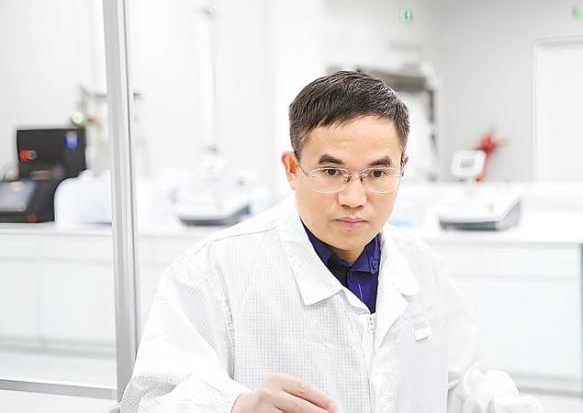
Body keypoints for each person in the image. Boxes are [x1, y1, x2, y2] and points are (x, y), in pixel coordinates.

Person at [121, 71, 543, 413]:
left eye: (377, 174)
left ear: (402, 167)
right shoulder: (213, 269)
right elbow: (151, 399)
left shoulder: (420, 265)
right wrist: (236, 406)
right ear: (292, 168)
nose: (354, 198)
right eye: (332, 172)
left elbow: (461, 383)